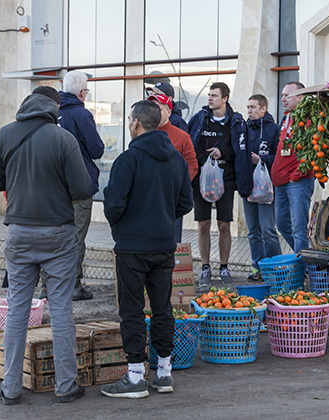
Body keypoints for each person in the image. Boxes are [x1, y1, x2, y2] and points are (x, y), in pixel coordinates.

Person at [0, 86, 91, 405]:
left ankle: (11, 388)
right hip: (57, 233)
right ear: (54, 107)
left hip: (18, 232)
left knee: (17, 308)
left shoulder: (5, 134)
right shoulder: (62, 138)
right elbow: (83, 188)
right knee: (60, 308)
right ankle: (66, 386)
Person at [101, 100, 193, 399]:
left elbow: (113, 203)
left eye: (130, 120)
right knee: (163, 308)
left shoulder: (128, 160)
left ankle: (136, 375)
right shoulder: (176, 160)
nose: (129, 124)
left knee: (132, 310)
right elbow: (185, 203)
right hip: (164, 245)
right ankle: (164, 373)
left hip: (132, 247)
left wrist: (123, 225)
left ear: (136, 123)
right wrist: (164, 218)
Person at [38, 70, 104, 301]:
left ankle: (47, 285)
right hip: (78, 186)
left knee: (51, 237)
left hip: (51, 187)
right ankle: (73, 286)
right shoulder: (80, 114)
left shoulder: (50, 113)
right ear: (82, 93)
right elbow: (97, 149)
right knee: (75, 237)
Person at [187, 82, 251, 286]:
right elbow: (191, 144)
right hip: (202, 180)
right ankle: (205, 268)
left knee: (224, 225)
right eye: (209, 95)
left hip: (226, 178)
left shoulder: (236, 122)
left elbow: (239, 150)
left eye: (214, 95)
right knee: (203, 224)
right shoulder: (200, 119)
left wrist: (222, 152)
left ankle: (224, 267)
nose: (210, 98)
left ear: (225, 99)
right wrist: (203, 160)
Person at [147, 93, 198, 242]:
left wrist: (179, 186)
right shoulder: (143, 133)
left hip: (171, 198)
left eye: (159, 109)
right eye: (152, 109)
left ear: (169, 112)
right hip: (147, 198)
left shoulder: (182, 136)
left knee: (172, 241)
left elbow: (192, 164)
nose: (154, 113)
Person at [271, 81, 314, 254]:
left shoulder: (309, 119)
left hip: (297, 182)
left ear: (300, 97)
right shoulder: (287, 117)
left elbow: (312, 151)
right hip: (281, 181)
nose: (282, 99)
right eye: (282, 95)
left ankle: (301, 270)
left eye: (287, 96)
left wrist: (296, 175)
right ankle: (305, 257)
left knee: (298, 229)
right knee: (282, 225)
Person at [243, 94, 282, 280]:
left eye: (252, 107)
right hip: (247, 185)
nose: (249, 110)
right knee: (252, 231)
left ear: (263, 109)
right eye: (248, 107)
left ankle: (274, 268)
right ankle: (257, 267)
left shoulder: (274, 129)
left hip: (266, 186)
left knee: (268, 229)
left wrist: (261, 159)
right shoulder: (243, 128)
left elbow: (281, 157)